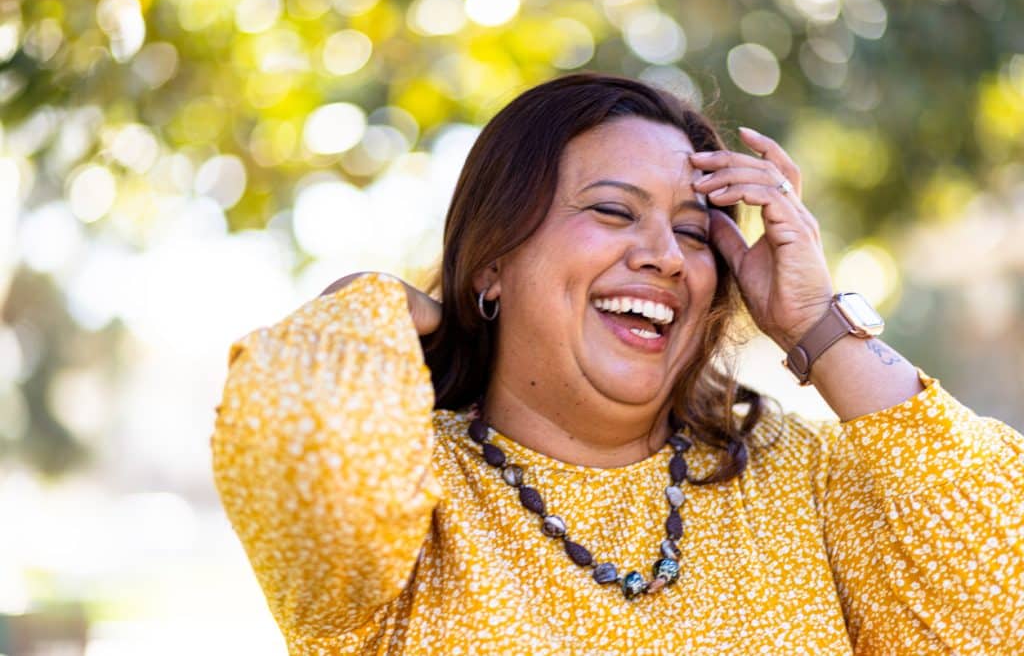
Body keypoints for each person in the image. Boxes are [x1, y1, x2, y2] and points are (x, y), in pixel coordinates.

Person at [211, 73, 1024, 654]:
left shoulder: (799, 475)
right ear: (493, 260)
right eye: (611, 211)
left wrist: (818, 325)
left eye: (696, 231)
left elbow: (1000, 599)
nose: (667, 256)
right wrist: (376, 304)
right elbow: (294, 437)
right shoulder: (411, 500)